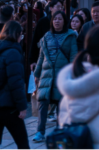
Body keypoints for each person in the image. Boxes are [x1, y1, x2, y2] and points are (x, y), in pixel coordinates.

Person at [0, 19, 29, 150]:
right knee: (22, 143)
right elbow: (16, 82)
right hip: (8, 106)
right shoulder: (13, 52)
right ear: (17, 34)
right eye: (21, 34)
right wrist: (22, 107)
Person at [31, 11, 78, 144]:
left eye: (60, 19)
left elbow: (74, 57)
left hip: (62, 75)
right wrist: (37, 74)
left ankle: (59, 131)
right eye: (55, 19)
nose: (57, 21)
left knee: (60, 104)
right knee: (42, 103)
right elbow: (41, 57)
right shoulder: (46, 36)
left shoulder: (70, 36)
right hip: (47, 75)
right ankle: (40, 131)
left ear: (64, 21)